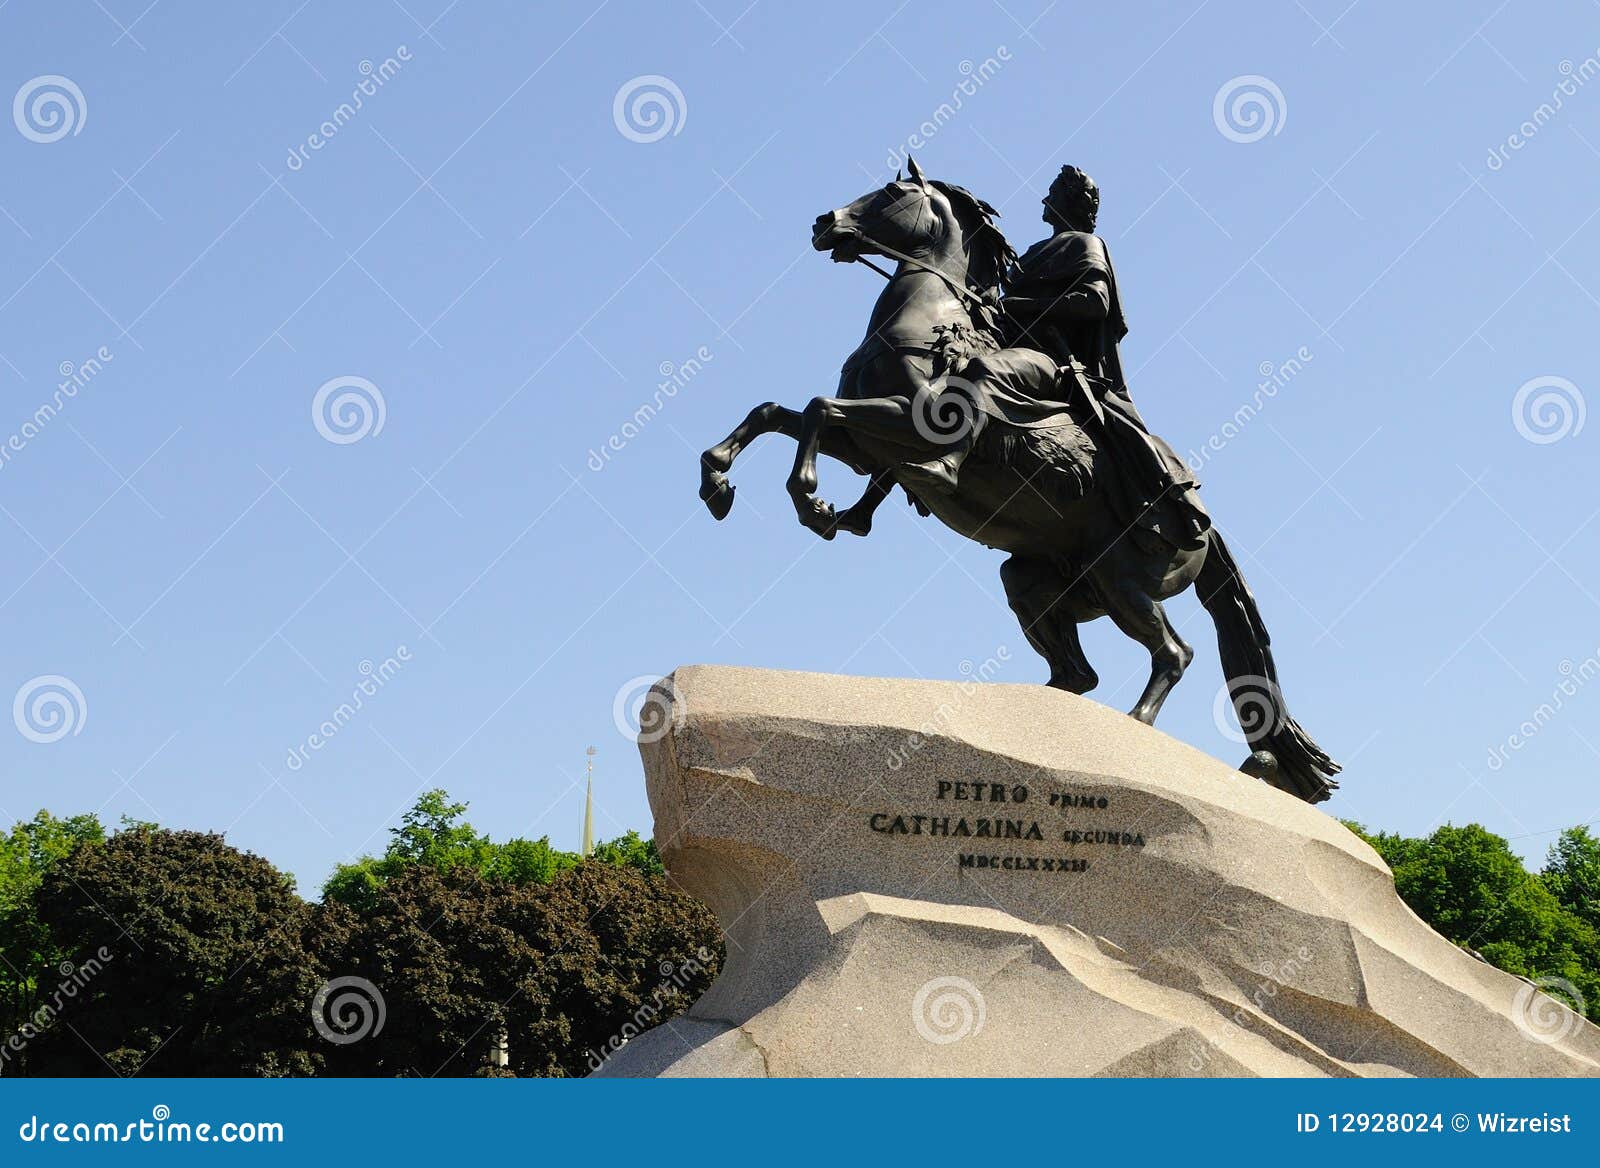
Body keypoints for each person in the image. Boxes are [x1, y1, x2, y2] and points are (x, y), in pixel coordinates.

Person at [1002, 165, 1209, 550]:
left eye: (1052, 193)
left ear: (1068, 203)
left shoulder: (1084, 244)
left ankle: (1167, 495)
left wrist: (1026, 305)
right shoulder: (1031, 254)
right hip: (1016, 350)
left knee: (1121, 427)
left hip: (1064, 362)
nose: (1045, 199)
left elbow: (1095, 301)